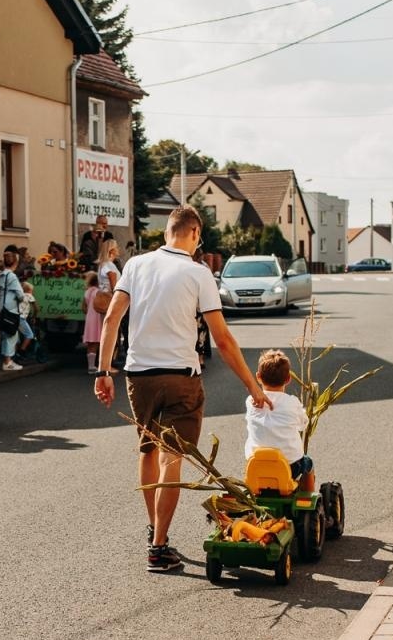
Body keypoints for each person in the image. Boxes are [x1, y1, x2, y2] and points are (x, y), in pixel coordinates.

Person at [95, 205, 270, 572]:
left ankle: (153, 529)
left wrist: (103, 371)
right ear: (194, 234)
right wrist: (253, 386)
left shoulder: (136, 265)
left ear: (165, 233)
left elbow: (112, 318)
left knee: (147, 452)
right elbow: (222, 339)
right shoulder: (198, 273)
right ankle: (159, 548)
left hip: (138, 374)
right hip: (180, 378)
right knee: (170, 458)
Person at [245, 349, 314, 492]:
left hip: (256, 465)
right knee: (308, 462)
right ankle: (308, 496)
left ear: (258, 377)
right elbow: (303, 424)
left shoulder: (250, 401)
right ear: (288, 379)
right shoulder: (292, 403)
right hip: (289, 466)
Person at [0, 251, 25, 371]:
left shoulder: (1, 275)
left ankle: (7, 360)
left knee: (5, 333)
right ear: (15, 263)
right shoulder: (12, 276)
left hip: (2, 305)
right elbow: (20, 295)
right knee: (11, 334)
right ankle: (8, 362)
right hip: (10, 307)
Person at [82, 271, 104, 373]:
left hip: (89, 318)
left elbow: (83, 307)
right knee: (96, 341)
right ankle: (94, 366)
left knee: (90, 342)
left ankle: (90, 365)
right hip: (97, 317)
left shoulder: (86, 292)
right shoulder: (98, 292)